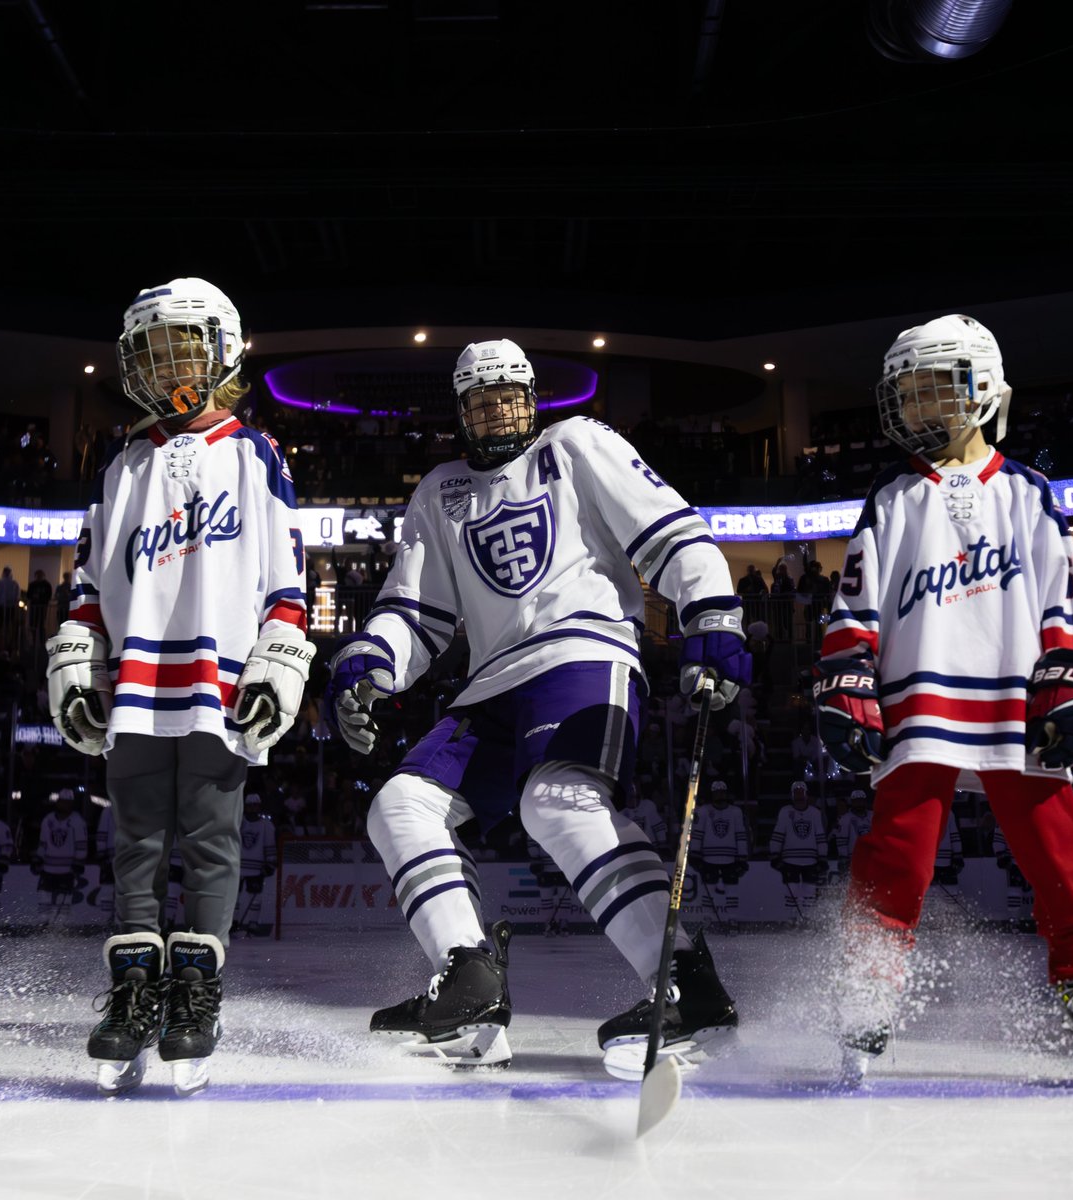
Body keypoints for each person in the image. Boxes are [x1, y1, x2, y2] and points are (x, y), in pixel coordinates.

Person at [326, 337, 748, 1072]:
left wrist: (710, 612)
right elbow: (414, 614)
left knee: (556, 803)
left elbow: (672, 531)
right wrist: (370, 659)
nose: (496, 412)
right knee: (398, 805)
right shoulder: (439, 491)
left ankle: (687, 984)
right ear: (461, 412)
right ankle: (469, 980)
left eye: (509, 396)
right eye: (480, 402)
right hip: (490, 681)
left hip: (582, 652)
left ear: (533, 398)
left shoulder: (577, 444)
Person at [812, 314, 1073, 1086]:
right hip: (918, 698)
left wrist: (1072, 673)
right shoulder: (891, 499)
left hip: (1016, 699)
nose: (920, 411)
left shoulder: (1029, 493)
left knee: (1057, 853)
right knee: (898, 853)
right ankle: (870, 983)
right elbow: (855, 607)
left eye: (934, 392)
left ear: (982, 388)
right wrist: (847, 675)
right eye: (909, 396)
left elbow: (1066, 598)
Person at [44, 278, 314, 1096]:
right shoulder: (123, 464)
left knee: (209, 838)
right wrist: (77, 657)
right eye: (151, 353)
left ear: (222, 349)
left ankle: (194, 991)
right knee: (136, 843)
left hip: (217, 679)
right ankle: (133, 990)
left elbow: (288, 575)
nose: (165, 367)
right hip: (134, 679)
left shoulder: (255, 451)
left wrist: (279, 652)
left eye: (180, 349)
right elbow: (92, 583)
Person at [769, 781, 828, 925]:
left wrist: (823, 856)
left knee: (809, 890)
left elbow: (820, 835)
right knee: (792, 891)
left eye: (801, 791)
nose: (799, 794)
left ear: (806, 794)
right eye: (796, 792)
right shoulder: (785, 811)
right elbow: (778, 834)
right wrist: (774, 853)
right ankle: (792, 918)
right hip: (790, 859)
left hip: (811, 859)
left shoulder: (815, 813)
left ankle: (807, 918)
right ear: (792, 794)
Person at [33, 788, 88, 920]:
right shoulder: (48, 820)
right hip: (48, 868)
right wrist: (38, 858)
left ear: (72, 804)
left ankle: (61, 929)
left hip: (67, 870)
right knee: (43, 897)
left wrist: (79, 862)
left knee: (64, 901)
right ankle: (43, 925)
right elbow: (43, 843)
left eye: (67, 802)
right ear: (57, 802)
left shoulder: (77, 821)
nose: (64, 805)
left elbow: (81, 845)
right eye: (62, 801)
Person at [689, 780, 750, 898]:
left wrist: (742, 855)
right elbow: (697, 834)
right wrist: (695, 854)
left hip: (730, 858)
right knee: (709, 890)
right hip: (708, 857)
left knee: (732, 889)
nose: (720, 795)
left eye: (722, 792)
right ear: (712, 794)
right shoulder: (703, 811)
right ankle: (708, 916)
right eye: (717, 793)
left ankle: (731, 916)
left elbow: (740, 834)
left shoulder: (735, 812)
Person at [234, 794, 277, 936]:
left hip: (256, 868)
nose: (252, 808)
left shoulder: (266, 825)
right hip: (238, 866)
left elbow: (269, 845)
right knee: (235, 897)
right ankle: (233, 922)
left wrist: (270, 863)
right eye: (250, 805)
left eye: (255, 805)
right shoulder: (239, 822)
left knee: (256, 896)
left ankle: (252, 923)